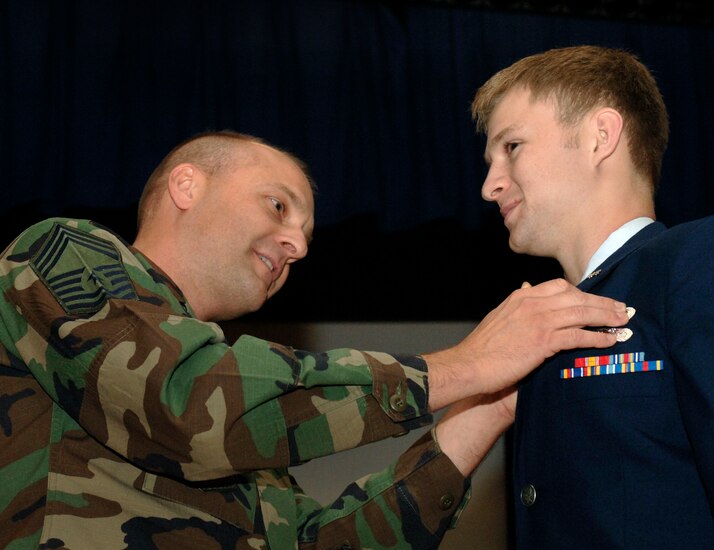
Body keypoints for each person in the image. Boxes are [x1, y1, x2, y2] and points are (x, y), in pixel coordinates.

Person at [0, 130, 631, 548]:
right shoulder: (61, 252)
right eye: (278, 208)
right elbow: (185, 406)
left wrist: (485, 409)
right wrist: (466, 363)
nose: (298, 246)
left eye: (305, 233)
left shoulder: (250, 419)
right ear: (186, 186)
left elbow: (319, 544)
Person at [472, 45, 714, 548]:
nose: (490, 185)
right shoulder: (542, 326)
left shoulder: (709, 259)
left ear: (600, 137)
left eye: (511, 147)